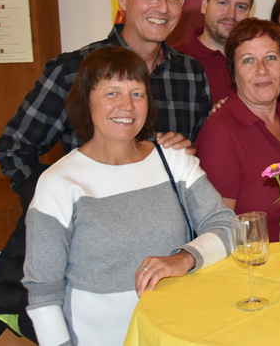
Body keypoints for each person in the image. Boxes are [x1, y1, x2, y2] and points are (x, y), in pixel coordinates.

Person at [0, 0, 212, 342]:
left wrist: (179, 151)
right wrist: (57, 211)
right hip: (91, 281)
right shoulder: (73, 71)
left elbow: (196, 153)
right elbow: (14, 147)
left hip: (170, 270)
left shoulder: (190, 73)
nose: (163, 7)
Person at [23, 46, 233, 346]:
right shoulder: (59, 183)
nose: (127, 106)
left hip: (175, 333)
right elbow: (43, 294)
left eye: (137, 94)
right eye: (112, 93)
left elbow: (226, 225)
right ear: (86, 100)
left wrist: (185, 257)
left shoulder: (173, 159)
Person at [195, 18, 280, 241]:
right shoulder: (220, 134)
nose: (261, 70)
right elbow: (217, 230)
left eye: (271, 58)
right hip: (253, 261)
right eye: (248, 60)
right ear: (233, 72)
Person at [174, 0, 254, 103]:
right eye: (223, 3)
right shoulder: (174, 60)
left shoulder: (256, 62)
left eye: (241, 7)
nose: (231, 14)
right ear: (205, 5)